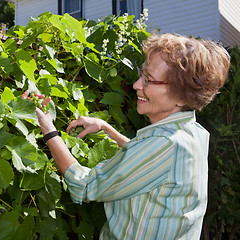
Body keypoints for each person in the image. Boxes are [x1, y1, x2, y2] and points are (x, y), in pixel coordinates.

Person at [32, 33, 230, 239]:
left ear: (182, 96)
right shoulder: (192, 132)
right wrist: (106, 128)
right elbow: (147, 165)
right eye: (142, 74)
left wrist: (48, 129)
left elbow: (85, 185)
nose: (137, 85)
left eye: (149, 79)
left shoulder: (164, 144)